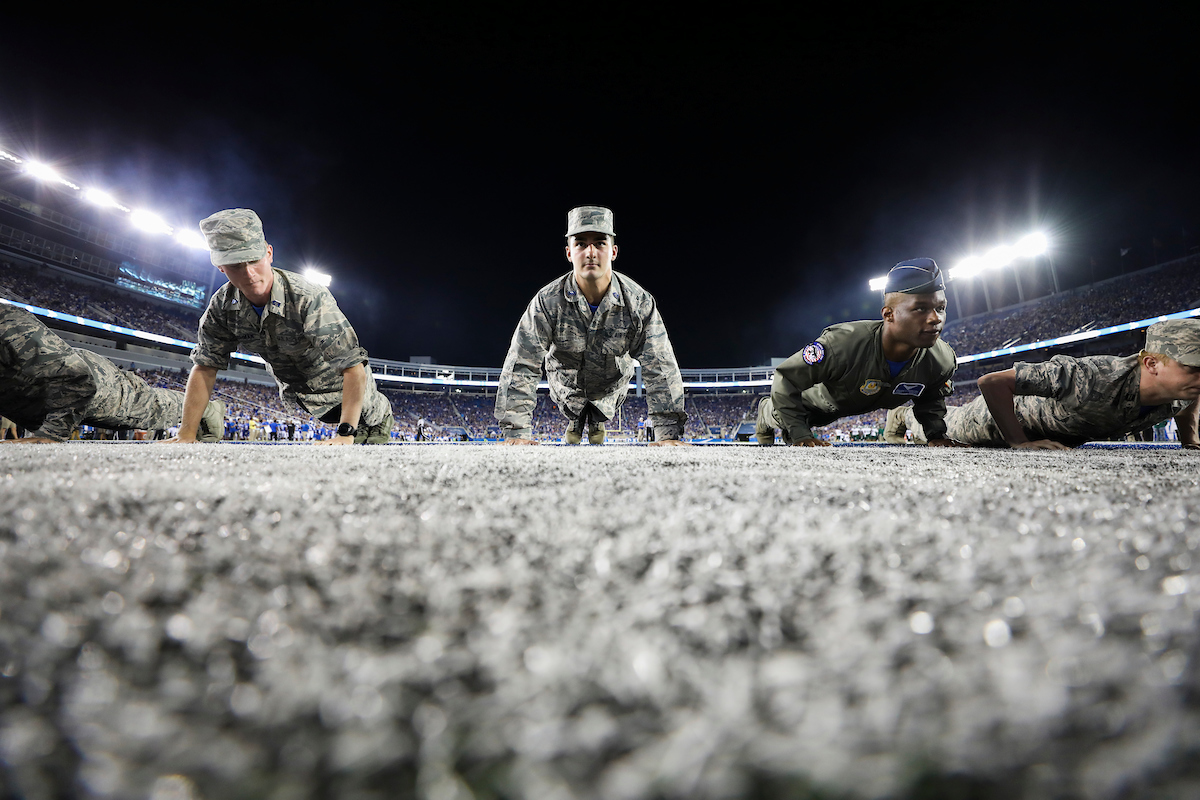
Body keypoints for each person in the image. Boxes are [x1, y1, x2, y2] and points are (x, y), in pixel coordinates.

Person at [169, 208, 393, 446]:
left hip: (343, 383)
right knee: (329, 416)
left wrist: (345, 433)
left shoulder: (307, 296)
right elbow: (205, 367)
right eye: (235, 265)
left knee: (366, 424)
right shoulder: (221, 307)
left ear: (269, 253)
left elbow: (352, 366)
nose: (249, 273)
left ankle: (381, 417)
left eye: (254, 260)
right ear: (220, 268)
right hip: (300, 391)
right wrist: (186, 433)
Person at [495, 205, 688, 446]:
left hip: (611, 389)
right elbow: (522, 362)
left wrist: (667, 435)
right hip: (565, 387)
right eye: (580, 244)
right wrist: (516, 433)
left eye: (599, 243)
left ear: (614, 251)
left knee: (605, 406)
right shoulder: (547, 301)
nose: (590, 252)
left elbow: (659, 365)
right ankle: (576, 419)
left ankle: (596, 420)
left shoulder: (638, 303)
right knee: (571, 407)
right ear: (569, 252)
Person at [885, 318, 1200, 450]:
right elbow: (990, 381)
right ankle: (901, 414)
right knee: (947, 428)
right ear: (1152, 364)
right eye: (1194, 368)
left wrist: (1190, 440)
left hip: (1054, 431)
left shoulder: (1182, 389)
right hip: (1001, 418)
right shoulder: (1089, 376)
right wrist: (1019, 443)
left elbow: (1185, 404)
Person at [756, 258, 959, 447]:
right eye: (920, 309)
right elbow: (787, 377)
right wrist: (801, 434)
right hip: (815, 403)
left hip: (849, 405)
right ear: (889, 314)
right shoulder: (842, 344)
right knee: (786, 416)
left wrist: (936, 435)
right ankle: (765, 410)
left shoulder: (941, 359)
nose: (935, 318)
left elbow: (930, 399)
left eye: (940, 308)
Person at [0, 303, 224, 443]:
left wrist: (49, 435)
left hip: (94, 383)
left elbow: (76, 376)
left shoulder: (6, 322)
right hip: (39, 404)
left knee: (148, 406)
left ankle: (208, 408)